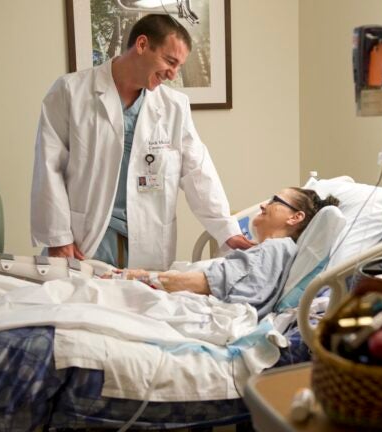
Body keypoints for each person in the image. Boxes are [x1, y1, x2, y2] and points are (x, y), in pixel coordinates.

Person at [30, 14, 252, 271]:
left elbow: (198, 171)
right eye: (170, 61)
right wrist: (57, 237)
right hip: (87, 240)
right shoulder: (71, 91)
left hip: (148, 241)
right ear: (142, 45)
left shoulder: (174, 107)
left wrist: (226, 229)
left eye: (179, 66)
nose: (172, 74)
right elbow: (48, 166)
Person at [110, 187, 340, 318]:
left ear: (295, 217)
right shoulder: (273, 251)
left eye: (274, 200)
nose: (263, 205)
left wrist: (136, 276)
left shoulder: (274, 248)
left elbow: (205, 282)